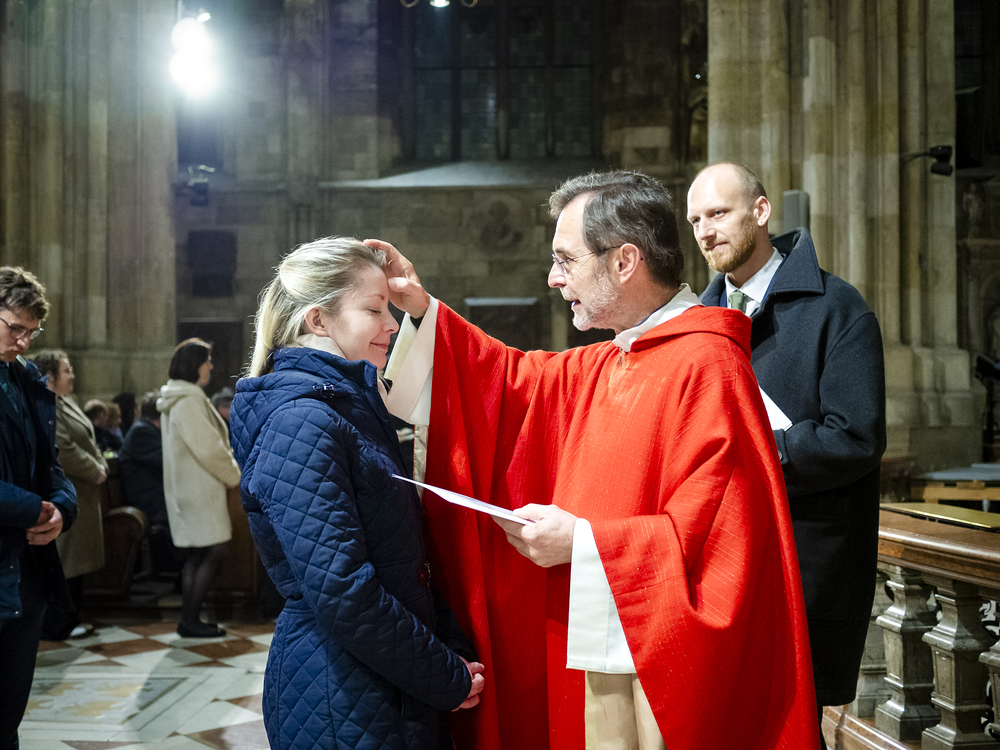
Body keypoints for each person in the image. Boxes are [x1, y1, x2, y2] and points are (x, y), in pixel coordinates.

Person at [376, 170, 819, 750]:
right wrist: (422, 309)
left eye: (566, 259)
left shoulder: (709, 368)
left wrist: (583, 544)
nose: (554, 278)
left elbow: (722, 548)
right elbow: (508, 381)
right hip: (599, 645)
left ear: (624, 261)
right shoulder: (613, 358)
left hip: (658, 670)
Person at [229, 237, 485, 750]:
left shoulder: (346, 406)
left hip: (381, 676)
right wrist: (442, 674)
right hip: (340, 691)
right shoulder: (301, 421)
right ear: (318, 321)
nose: (391, 324)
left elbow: (400, 558)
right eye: (374, 309)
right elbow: (342, 589)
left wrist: (449, 647)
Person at [689, 162, 886, 748]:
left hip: (804, 557)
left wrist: (755, 452)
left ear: (761, 211)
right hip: (719, 560)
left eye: (718, 213)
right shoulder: (696, 324)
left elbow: (856, 437)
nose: (705, 231)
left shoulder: (837, 308)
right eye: (695, 220)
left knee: (792, 729)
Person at [0, 267, 78, 750]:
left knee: (7, 716)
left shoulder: (26, 378)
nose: (24, 342)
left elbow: (51, 466)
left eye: (32, 332)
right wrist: (35, 508)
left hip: (24, 571)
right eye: (15, 328)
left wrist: (61, 510)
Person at [158, 338, 241, 638]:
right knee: (214, 549)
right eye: (207, 361)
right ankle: (190, 620)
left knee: (198, 554)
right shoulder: (189, 400)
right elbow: (208, 448)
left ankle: (189, 619)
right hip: (199, 490)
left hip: (189, 489)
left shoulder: (179, 397)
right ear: (194, 365)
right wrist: (234, 475)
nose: (211, 366)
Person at [31, 350, 107, 641]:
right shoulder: (45, 404)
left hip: (82, 491)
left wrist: (99, 463)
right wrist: (95, 470)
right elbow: (64, 448)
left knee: (77, 560)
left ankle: (70, 618)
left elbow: (88, 438)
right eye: (67, 370)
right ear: (50, 376)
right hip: (66, 489)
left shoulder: (65, 401)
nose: (72, 375)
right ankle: (57, 624)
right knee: (67, 559)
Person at [119, 392, 177, 577]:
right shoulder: (141, 431)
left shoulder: (146, 429)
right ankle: (185, 573)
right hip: (149, 499)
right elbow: (168, 462)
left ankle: (186, 573)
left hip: (156, 494)